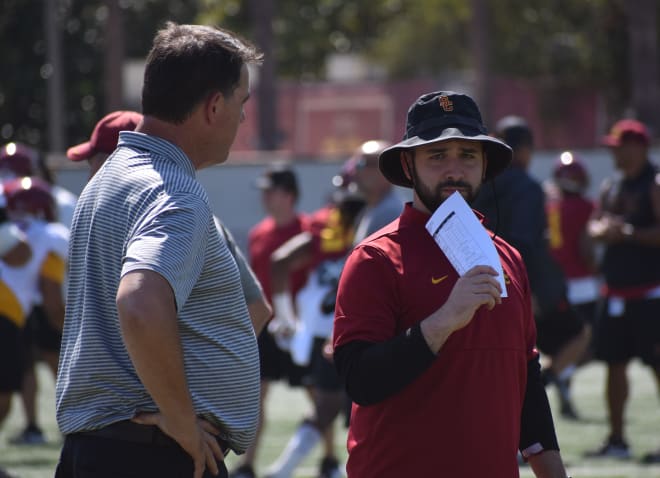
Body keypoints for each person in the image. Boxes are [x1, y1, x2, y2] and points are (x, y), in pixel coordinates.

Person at [54, 22, 263, 478]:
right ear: (213, 106)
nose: (242, 118)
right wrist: (183, 421)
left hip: (105, 448)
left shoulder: (108, 178)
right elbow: (139, 303)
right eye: (240, 103)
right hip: (154, 455)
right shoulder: (175, 193)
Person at [332, 91, 571, 477]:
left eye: (468, 155)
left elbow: (525, 375)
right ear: (408, 166)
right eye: (437, 156)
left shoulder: (508, 257)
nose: (454, 170)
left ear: (484, 165)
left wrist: (553, 470)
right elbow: (360, 380)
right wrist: (445, 319)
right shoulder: (375, 258)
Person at [66, 110, 271, 334]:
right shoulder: (192, 213)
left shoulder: (171, 214)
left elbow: (138, 307)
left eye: (92, 162)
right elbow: (257, 308)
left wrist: (181, 368)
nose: (90, 177)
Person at [472, 116, 590, 417]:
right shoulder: (526, 185)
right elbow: (520, 242)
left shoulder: (481, 183)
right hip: (521, 282)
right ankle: (546, 383)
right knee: (577, 335)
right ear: (524, 150)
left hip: (477, 281)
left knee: (499, 362)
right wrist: (526, 289)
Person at [262, 187, 365, 478]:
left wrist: (285, 317)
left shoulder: (328, 224)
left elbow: (279, 261)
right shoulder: (379, 220)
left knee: (331, 406)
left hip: (325, 329)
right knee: (344, 407)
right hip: (343, 328)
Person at [231, 163, 317, 478]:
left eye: (272, 191)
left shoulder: (310, 233)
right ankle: (248, 464)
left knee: (317, 392)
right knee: (257, 394)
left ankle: (329, 460)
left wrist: (295, 320)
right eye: (264, 191)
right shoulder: (258, 234)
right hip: (267, 328)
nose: (266, 197)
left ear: (289, 194)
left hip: (299, 328)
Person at [586, 118, 660, 463]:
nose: (614, 154)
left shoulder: (655, 183)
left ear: (639, 147)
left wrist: (627, 233)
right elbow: (595, 224)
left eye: (619, 147)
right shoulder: (611, 185)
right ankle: (617, 439)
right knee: (614, 365)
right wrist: (604, 230)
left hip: (650, 294)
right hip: (615, 292)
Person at [2, 176, 69, 445]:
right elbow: (52, 300)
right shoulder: (52, 236)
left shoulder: (8, 231)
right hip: (5, 313)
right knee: (3, 397)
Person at [545, 151, 600, 417]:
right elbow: (587, 249)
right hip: (583, 283)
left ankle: (561, 377)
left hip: (557, 284)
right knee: (587, 345)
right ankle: (556, 375)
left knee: (565, 345)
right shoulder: (587, 207)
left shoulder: (551, 206)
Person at [349, 139, 404, 245]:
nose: (354, 171)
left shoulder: (390, 212)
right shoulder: (371, 209)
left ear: (385, 169)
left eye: (361, 164)